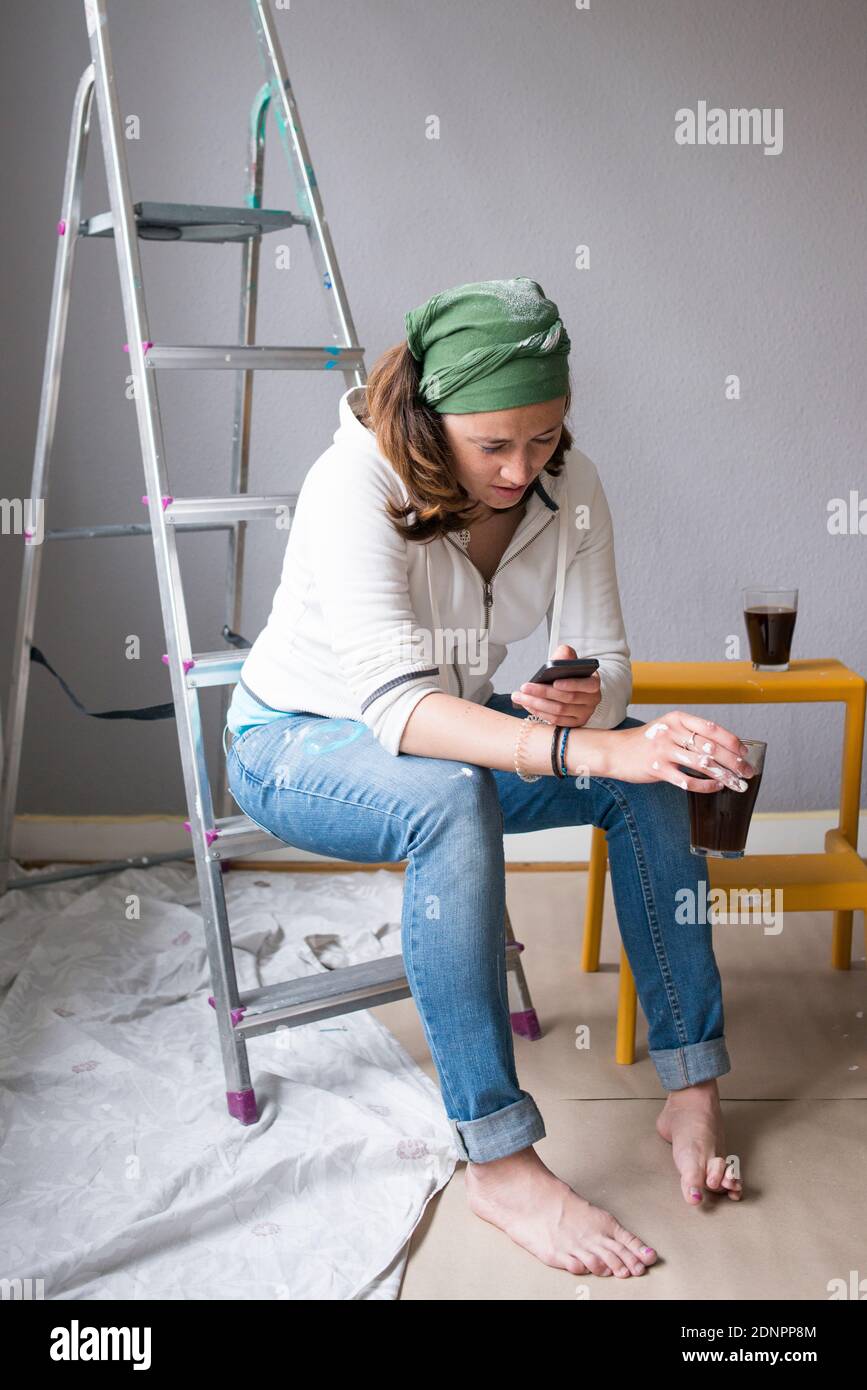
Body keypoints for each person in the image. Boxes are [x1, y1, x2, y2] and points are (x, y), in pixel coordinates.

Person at [223, 277, 755, 1279]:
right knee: (453, 797)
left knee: (652, 775)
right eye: (495, 445)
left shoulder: (573, 481)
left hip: (441, 734)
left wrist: (587, 702)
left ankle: (692, 1089)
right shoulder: (355, 483)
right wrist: (590, 745)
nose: (522, 468)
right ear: (434, 418)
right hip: (295, 741)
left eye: (543, 437)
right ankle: (501, 1162)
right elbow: (398, 715)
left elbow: (610, 663)